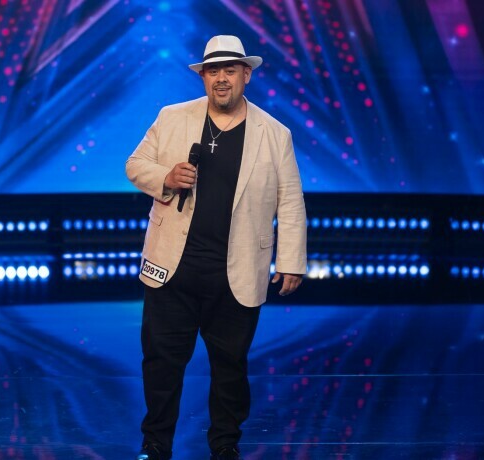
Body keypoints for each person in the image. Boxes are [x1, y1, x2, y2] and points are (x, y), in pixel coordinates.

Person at [125, 35, 307, 460]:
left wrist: (292, 260)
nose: (221, 79)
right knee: (161, 362)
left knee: (230, 366)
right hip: (173, 266)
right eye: (213, 71)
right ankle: (155, 444)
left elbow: (290, 201)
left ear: (246, 75)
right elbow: (135, 164)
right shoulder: (172, 117)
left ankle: (225, 445)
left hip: (236, 269)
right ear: (203, 77)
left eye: (230, 70)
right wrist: (166, 178)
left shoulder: (274, 133)